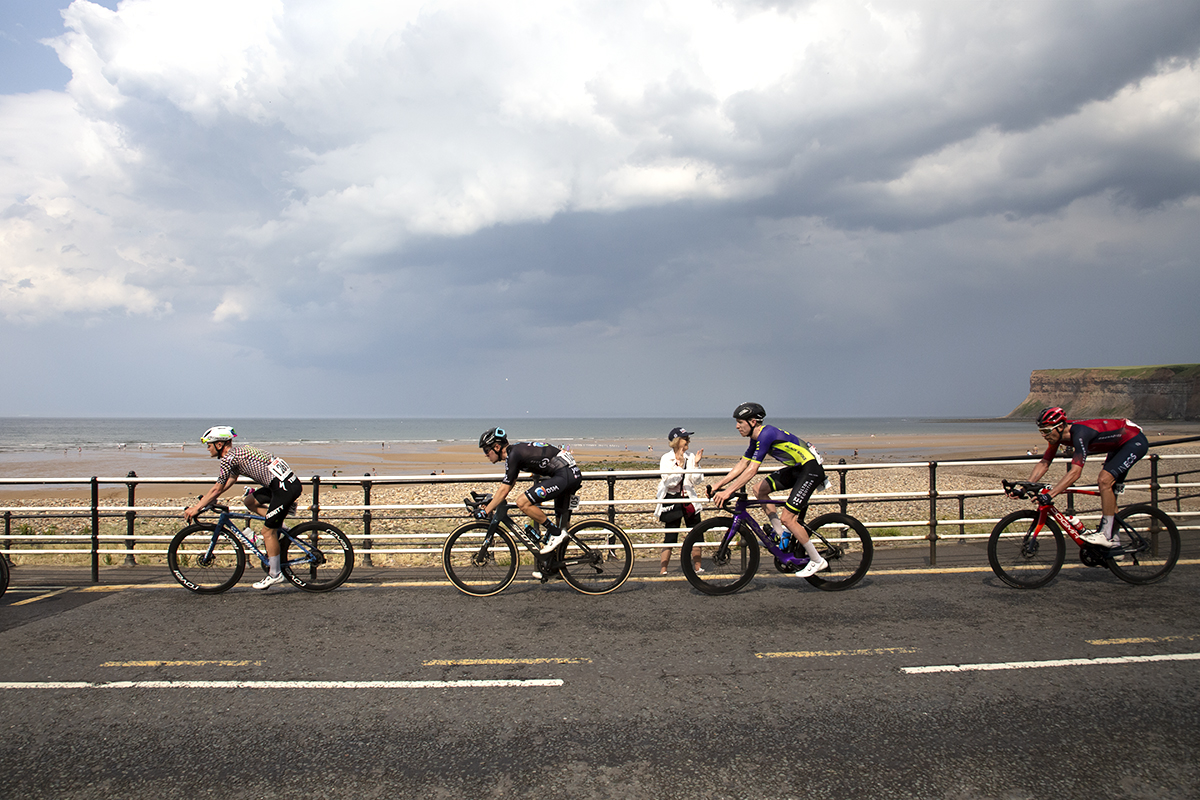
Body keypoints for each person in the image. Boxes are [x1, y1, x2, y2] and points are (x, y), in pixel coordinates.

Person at [710, 402, 828, 578]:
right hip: (797, 469)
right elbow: (743, 463)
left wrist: (728, 492)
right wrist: (718, 485)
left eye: (740, 422)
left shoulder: (766, 434)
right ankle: (780, 535)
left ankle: (817, 560)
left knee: (788, 518)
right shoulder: (755, 438)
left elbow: (752, 469)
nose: (737, 426)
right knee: (759, 489)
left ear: (752, 422)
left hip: (810, 470)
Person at [184, 426, 302, 590]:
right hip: (283, 485)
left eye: (209, 444)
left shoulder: (229, 459)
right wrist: (208, 500)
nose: (207, 448)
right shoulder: (238, 453)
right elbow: (229, 481)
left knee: (267, 532)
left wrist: (197, 507)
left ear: (219, 445)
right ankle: (281, 528)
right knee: (249, 502)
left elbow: (217, 488)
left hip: (283, 488)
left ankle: (275, 574)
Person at [1028, 406, 1149, 547]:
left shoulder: (1080, 434)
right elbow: (1044, 463)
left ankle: (1105, 534)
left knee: (1104, 480)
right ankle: (1114, 543)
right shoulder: (1058, 437)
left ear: (1060, 427)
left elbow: (1075, 473)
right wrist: (1026, 485)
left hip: (1133, 441)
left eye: (1046, 431)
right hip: (1117, 446)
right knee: (1110, 493)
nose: (1043, 435)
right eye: (1041, 431)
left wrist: (1050, 495)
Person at [476, 427, 582, 559]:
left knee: (522, 502)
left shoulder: (513, 455)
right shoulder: (515, 451)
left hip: (565, 475)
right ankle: (555, 564)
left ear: (497, 447)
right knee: (562, 525)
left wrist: (485, 511)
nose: (486, 454)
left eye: (487, 450)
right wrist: (491, 503)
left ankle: (555, 533)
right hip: (569, 473)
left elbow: (505, 489)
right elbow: (510, 483)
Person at [654, 427, 705, 575]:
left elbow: (697, 480)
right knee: (670, 535)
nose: (688, 440)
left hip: (688, 498)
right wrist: (680, 466)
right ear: (677, 442)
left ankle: (698, 567)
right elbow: (669, 482)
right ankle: (663, 570)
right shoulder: (666, 458)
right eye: (685, 438)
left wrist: (696, 464)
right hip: (672, 498)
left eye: (688, 438)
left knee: (696, 533)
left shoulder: (690, 457)